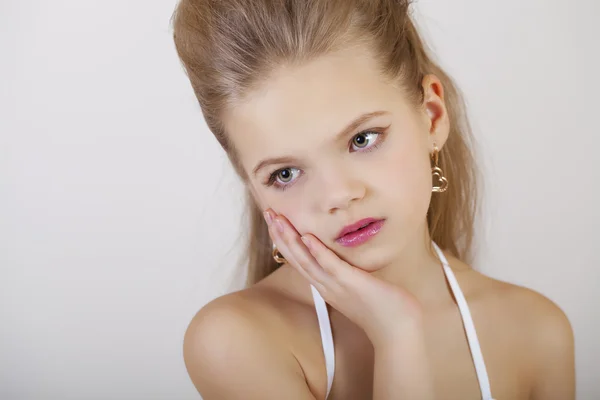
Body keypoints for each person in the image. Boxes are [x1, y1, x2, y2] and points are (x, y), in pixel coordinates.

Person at [170, 0, 575, 398]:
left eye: (362, 140)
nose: (339, 195)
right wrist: (397, 335)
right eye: (285, 174)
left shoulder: (537, 334)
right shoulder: (237, 342)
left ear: (432, 116)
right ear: (254, 187)